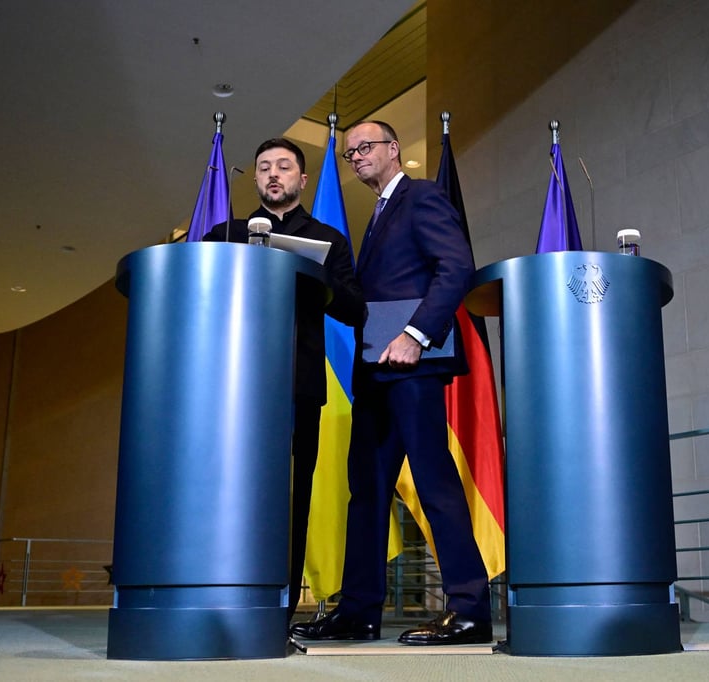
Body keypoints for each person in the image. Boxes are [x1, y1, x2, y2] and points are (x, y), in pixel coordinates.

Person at [290, 121, 492, 645]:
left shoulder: (421, 197)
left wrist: (416, 335)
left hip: (413, 364)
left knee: (433, 481)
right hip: (374, 368)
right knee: (368, 488)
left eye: (365, 147)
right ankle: (359, 611)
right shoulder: (376, 214)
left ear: (394, 149)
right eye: (349, 152)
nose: (355, 156)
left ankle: (470, 609)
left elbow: (456, 267)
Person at [203, 138, 366, 623]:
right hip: (233, 391)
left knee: (293, 500)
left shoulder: (328, 240)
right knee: (227, 491)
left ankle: (281, 609)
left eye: (284, 167)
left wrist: (314, 278)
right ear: (255, 179)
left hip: (298, 389)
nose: (273, 174)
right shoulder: (224, 234)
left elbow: (357, 310)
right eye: (265, 168)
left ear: (302, 179)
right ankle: (222, 597)